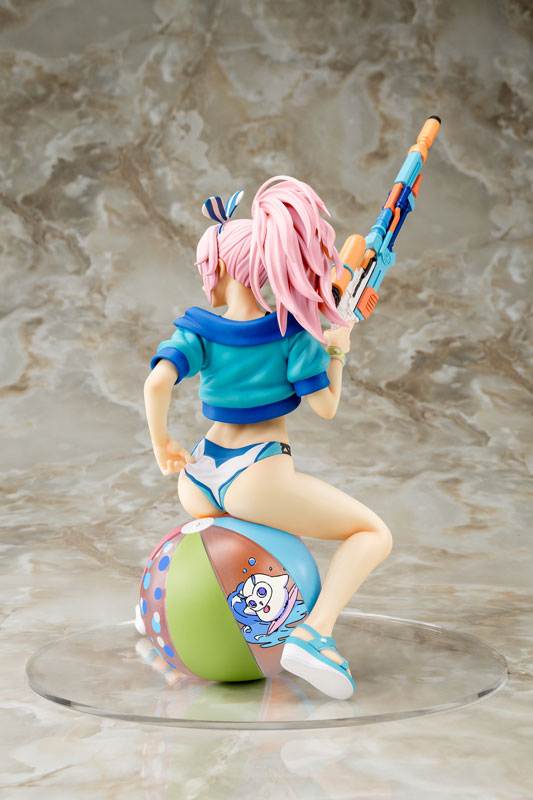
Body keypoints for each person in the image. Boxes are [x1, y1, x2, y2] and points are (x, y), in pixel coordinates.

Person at [144, 176, 392, 700]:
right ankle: (314, 635)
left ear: (225, 269)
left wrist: (163, 443)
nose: (205, 279)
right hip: (257, 475)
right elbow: (326, 407)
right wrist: (337, 347)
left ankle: (161, 609)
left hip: (198, 476)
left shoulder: (198, 328)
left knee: (218, 544)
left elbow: (157, 382)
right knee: (372, 534)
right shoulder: (292, 334)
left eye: (207, 267)